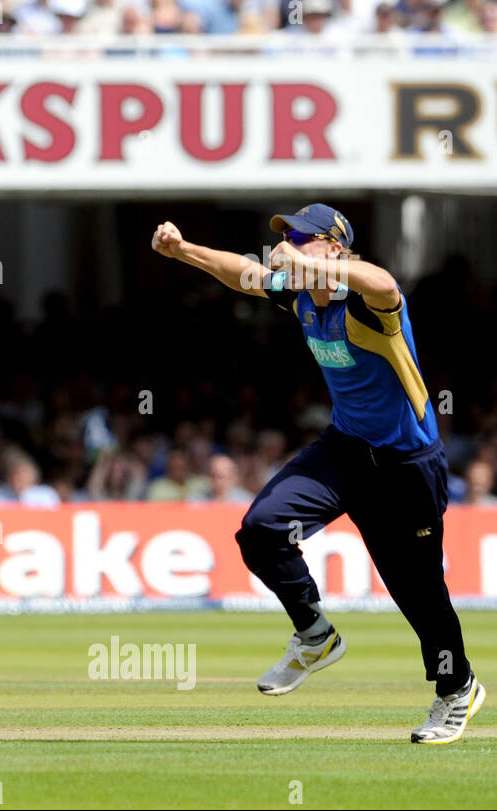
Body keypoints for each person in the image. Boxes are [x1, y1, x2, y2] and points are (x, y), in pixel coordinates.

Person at [151, 204, 484, 744]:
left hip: (406, 464)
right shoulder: (303, 295)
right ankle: (314, 634)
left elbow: (384, 281)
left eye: (303, 237)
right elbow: (246, 274)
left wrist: (319, 268)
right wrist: (184, 251)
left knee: (419, 592)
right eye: (289, 238)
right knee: (260, 530)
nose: (291, 244)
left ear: (333, 248)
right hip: (346, 450)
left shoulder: (369, 303)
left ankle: (457, 688)